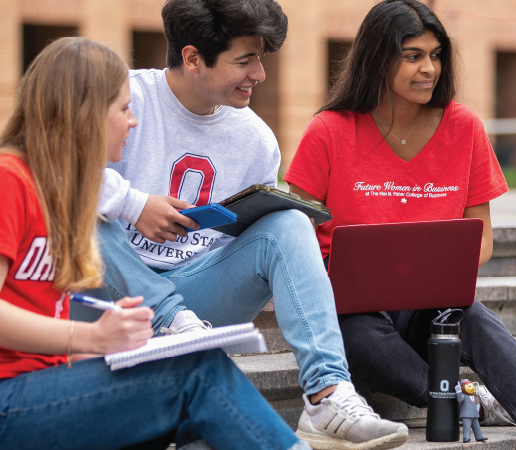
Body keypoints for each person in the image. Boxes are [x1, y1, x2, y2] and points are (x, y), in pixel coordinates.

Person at [80, 1, 408, 449]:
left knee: (289, 221)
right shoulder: (125, 98)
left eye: (261, 59)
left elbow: (245, 242)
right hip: (101, 298)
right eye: (244, 60)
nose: (260, 73)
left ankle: (328, 396)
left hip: (197, 303)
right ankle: (173, 325)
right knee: (85, 215)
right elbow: (52, 169)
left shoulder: (256, 140)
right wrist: (133, 204)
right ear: (193, 58)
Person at [284, 2, 516, 449]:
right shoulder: (330, 131)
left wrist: (430, 271)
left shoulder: (463, 127)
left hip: (428, 304)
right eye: (413, 56)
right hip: (350, 308)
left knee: (471, 317)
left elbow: (482, 239)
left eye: (436, 55)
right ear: (377, 56)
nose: (428, 68)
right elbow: (293, 239)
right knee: (359, 336)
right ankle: (473, 400)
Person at [0, 36, 311, 450]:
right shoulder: (10, 178)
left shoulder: (60, 192)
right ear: (84, 115)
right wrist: (91, 337)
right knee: (197, 372)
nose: (133, 121)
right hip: (14, 401)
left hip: (49, 387)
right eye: (123, 108)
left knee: (203, 415)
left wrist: (119, 337)